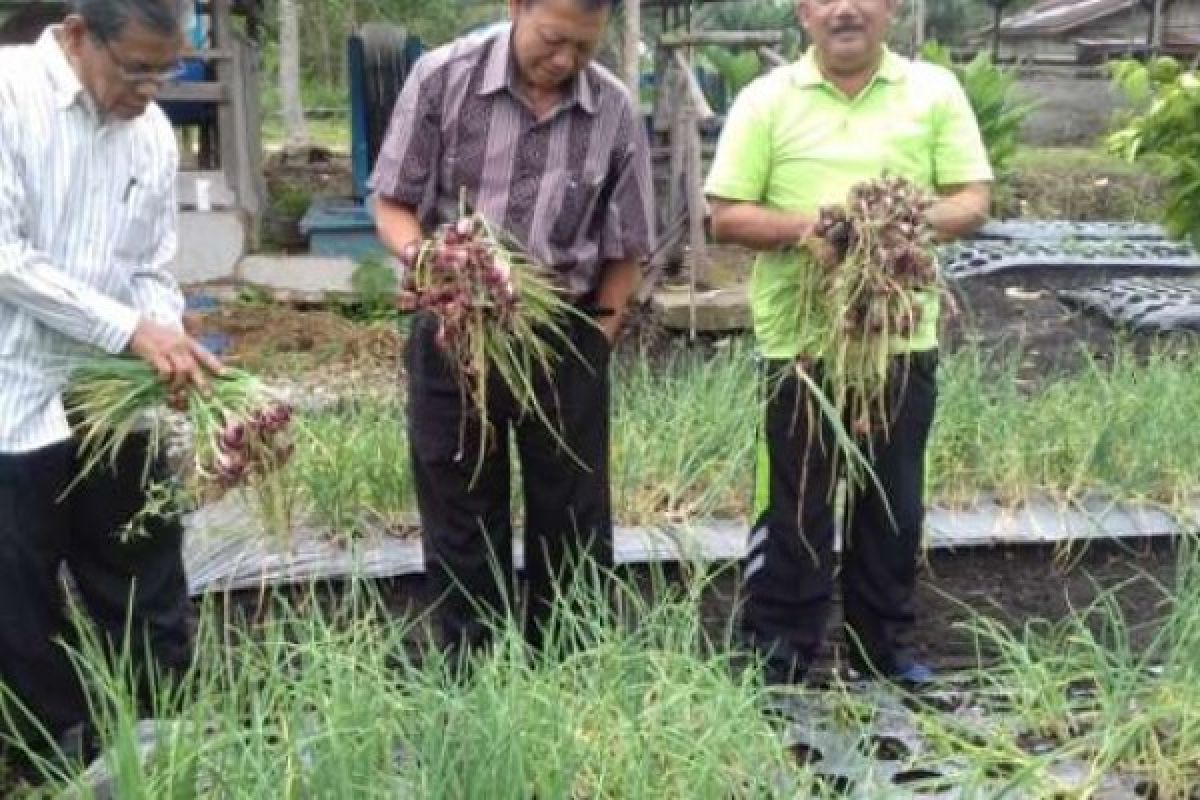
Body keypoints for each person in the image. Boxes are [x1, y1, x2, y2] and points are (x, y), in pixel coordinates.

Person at [705, 0, 992, 686]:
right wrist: (819, 229)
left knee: (892, 504)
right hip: (799, 347)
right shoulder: (766, 99)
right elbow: (725, 216)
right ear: (803, 12)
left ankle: (882, 650)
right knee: (795, 503)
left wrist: (893, 224)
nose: (845, 9)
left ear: (890, 7)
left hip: (898, 340)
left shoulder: (934, 91)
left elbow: (971, 201)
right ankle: (782, 647)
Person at [370, 0, 655, 658]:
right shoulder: (444, 78)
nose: (564, 62)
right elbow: (391, 203)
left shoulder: (611, 108)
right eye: (552, 40)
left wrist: (597, 342)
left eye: (583, 49)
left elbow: (627, 245)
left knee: (575, 519)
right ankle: (477, 675)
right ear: (518, 6)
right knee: (460, 510)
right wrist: (433, 265)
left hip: (563, 334)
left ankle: (569, 670)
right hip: (453, 328)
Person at [0, 0, 221, 767]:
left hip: (112, 399)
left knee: (143, 568)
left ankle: (164, 742)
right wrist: (128, 330)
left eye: (170, 70)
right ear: (74, 35)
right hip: (14, 392)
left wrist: (163, 339)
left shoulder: (151, 134)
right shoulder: (6, 97)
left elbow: (150, 268)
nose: (152, 88)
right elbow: (6, 256)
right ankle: (56, 756)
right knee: (16, 589)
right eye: (137, 68)